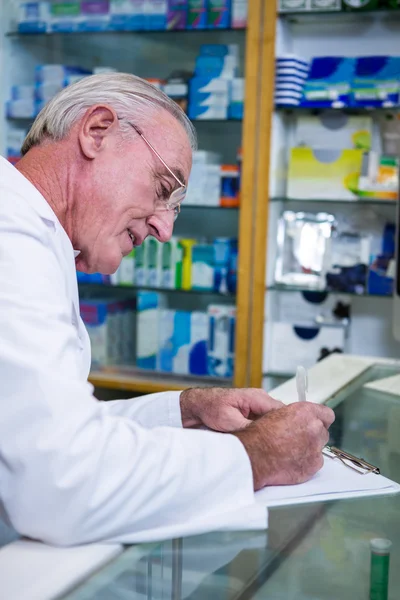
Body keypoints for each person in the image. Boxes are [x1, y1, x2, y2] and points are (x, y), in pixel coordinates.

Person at [0, 73, 334, 546]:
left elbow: (38, 435)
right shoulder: (9, 238)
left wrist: (184, 411)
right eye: (163, 188)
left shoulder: (31, 234)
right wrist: (257, 455)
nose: (164, 230)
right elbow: (62, 483)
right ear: (97, 131)